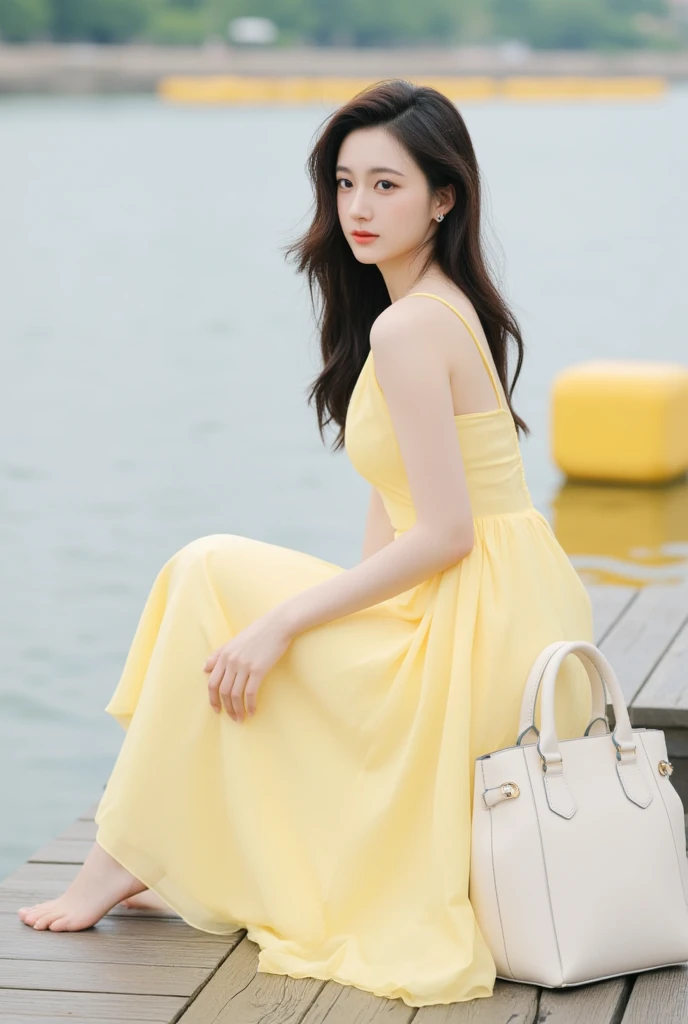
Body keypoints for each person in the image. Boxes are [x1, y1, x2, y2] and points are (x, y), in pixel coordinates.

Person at [17, 79, 593, 1007]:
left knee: (210, 576)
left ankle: (124, 857)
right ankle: (145, 849)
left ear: (444, 198)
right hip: (491, 599)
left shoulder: (412, 326)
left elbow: (443, 533)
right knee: (227, 599)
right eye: (345, 183)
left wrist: (283, 623)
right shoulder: (429, 307)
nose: (358, 209)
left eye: (388, 186)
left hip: (477, 623)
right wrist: (307, 621)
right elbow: (401, 514)